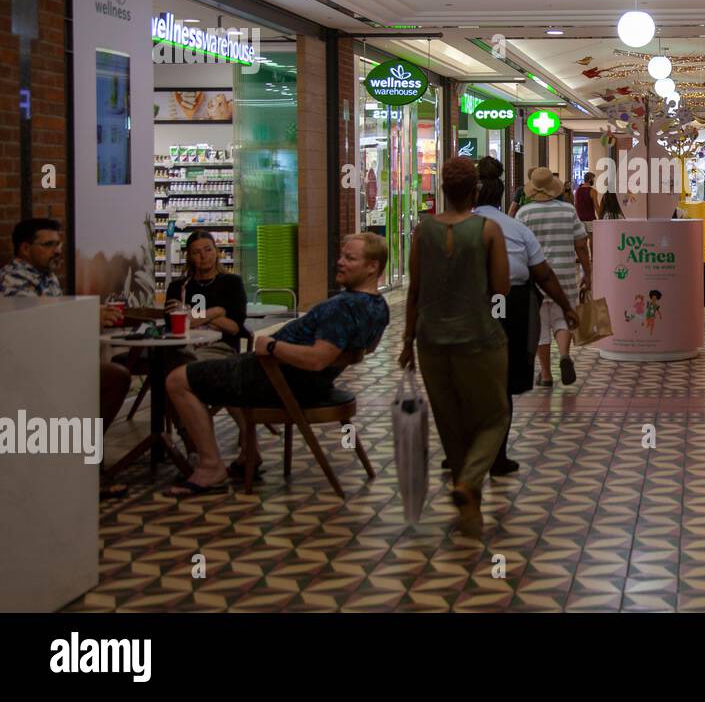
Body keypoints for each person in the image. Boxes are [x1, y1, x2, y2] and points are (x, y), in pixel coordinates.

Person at [164, 233, 390, 496]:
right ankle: (249, 453)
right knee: (216, 368)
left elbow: (317, 359)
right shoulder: (378, 306)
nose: (339, 262)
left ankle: (210, 466)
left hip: (273, 379)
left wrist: (271, 346)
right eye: (341, 256)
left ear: (372, 266)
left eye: (349, 258)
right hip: (297, 381)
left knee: (176, 380)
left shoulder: (343, 307)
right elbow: (365, 348)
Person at [398, 158, 508, 534]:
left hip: (431, 342)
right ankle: (469, 482)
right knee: (494, 415)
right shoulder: (487, 230)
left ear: (442, 189)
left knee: (450, 422)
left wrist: (406, 342)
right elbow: (502, 287)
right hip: (478, 338)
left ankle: (469, 505)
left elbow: (414, 290)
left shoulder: (422, 231)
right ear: (475, 190)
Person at [3, 218, 131, 499]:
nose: (58, 250)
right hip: (24, 373)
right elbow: (30, 323)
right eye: (49, 244)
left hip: (52, 365)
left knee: (114, 377)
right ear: (25, 248)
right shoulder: (13, 280)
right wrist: (86, 316)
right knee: (106, 381)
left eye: (58, 244)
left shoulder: (46, 277)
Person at [472, 156, 579, 476]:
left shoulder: (516, 216)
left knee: (468, 378)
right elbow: (545, 270)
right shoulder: (516, 224)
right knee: (504, 375)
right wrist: (571, 302)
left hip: (471, 306)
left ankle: (463, 451)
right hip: (520, 296)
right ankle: (497, 454)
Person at [516, 167, 593, 387]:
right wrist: (588, 274)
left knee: (540, 325)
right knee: (563, 318)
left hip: (536, 278)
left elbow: (520, 249)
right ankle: (565, 356)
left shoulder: (524, 214)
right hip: (565, 275)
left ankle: (546, 375)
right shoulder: (568, 210)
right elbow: (581, 245)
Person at [165, 230, 247, 361]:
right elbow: (173, 325)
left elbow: (233, 328)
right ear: (189, 257)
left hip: (220, 348)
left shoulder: (232, 283)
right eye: (196, 252)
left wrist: (189, 313)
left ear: (216, 251)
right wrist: (217, 311)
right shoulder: (177, 287)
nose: (203, 256)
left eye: (208, 249)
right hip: (182, 347)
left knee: (192, 364)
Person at [575, 170, 597, 256]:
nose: (594, 181)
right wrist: (601, 216)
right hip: (590, 218)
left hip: (580, 218)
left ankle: (582, 257)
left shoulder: (578, 190)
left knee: (582, 240)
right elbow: (596, 205)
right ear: (590, 179)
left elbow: (576, 204)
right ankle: (593, 257)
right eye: (593, 179)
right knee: (592, 239)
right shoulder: (592, 191)